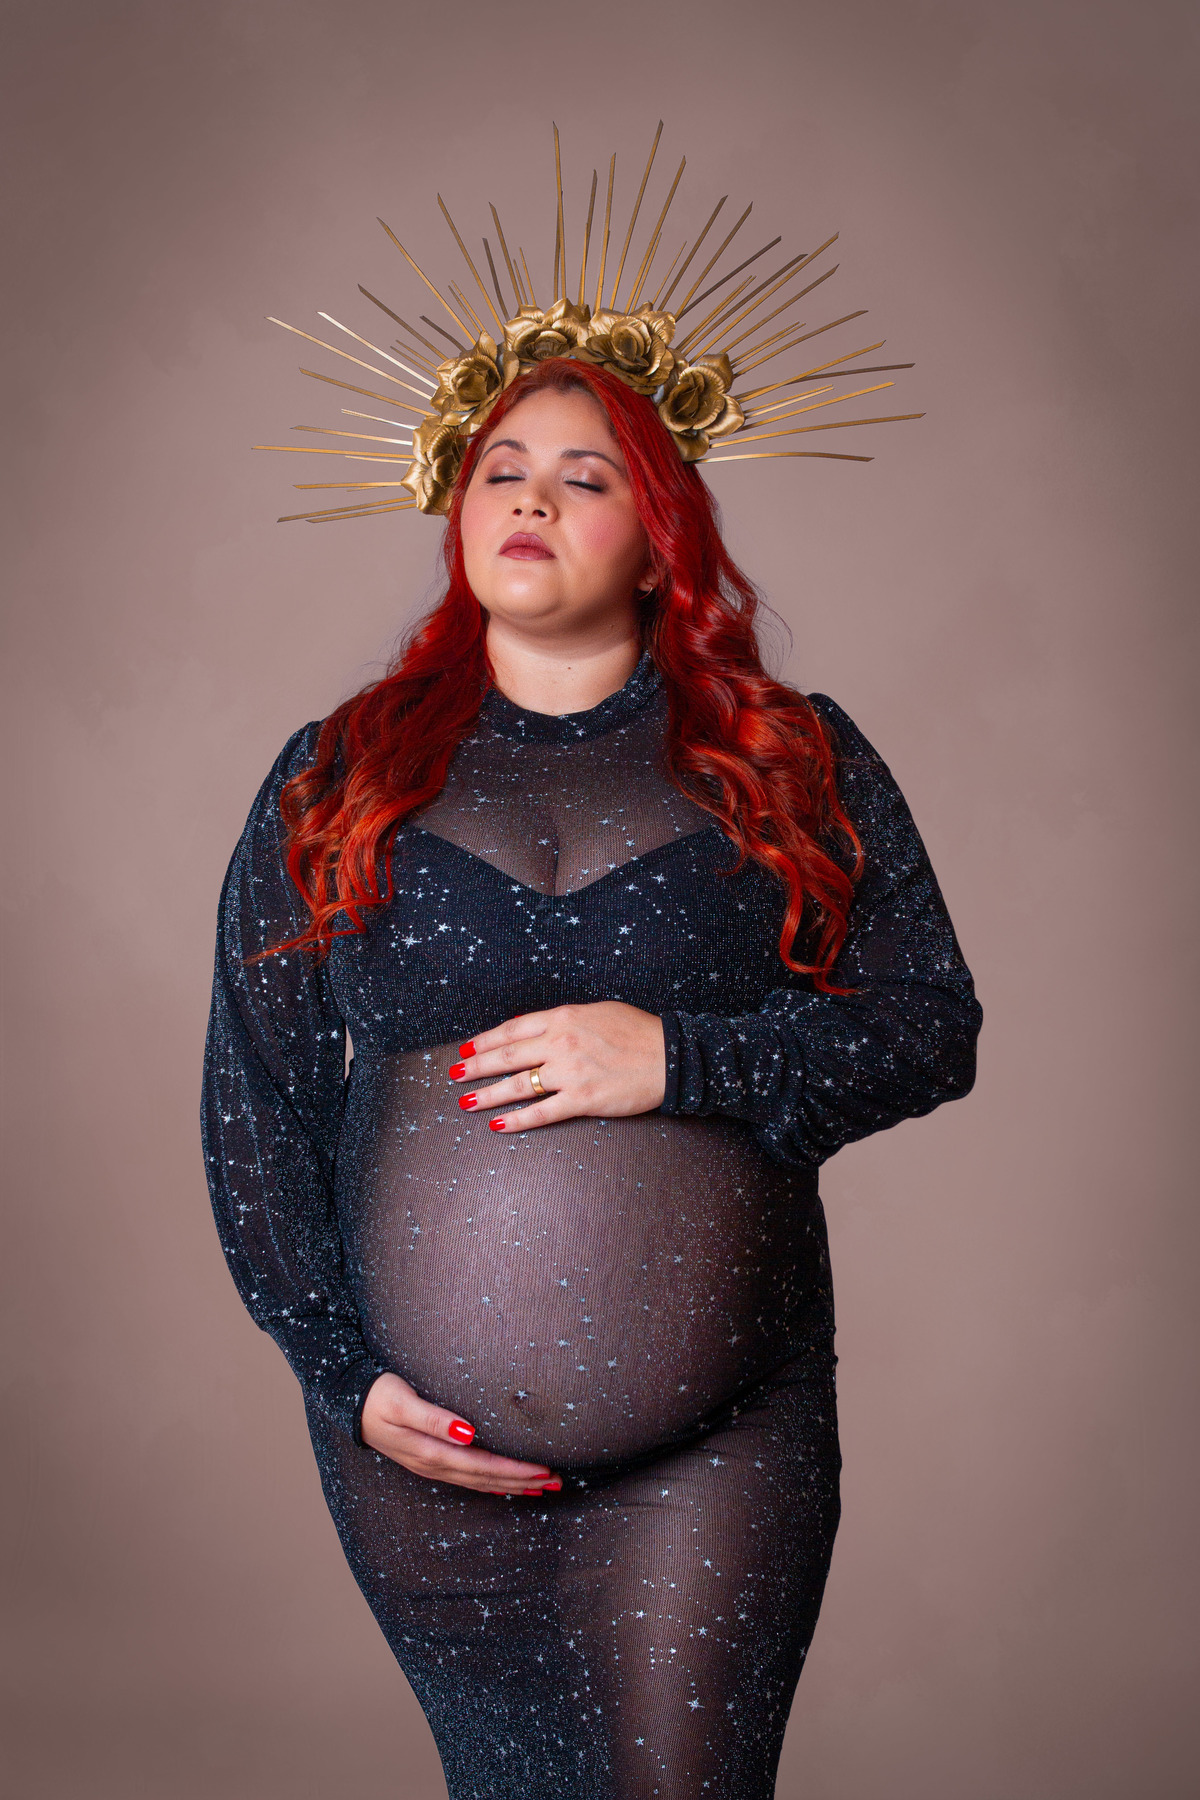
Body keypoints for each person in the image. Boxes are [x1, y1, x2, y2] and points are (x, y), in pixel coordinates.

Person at [203, 320, 981, 1795]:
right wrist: (340, 1374)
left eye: (586, 477)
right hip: (421, 1451)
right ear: (459, 512)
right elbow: (257, 1100)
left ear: (659, 542)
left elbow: (928, 1027)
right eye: (503, 470)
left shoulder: (791, 758)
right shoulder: (336, 773)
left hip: (723, 1438)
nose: (532, 501)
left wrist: (683, 1061)